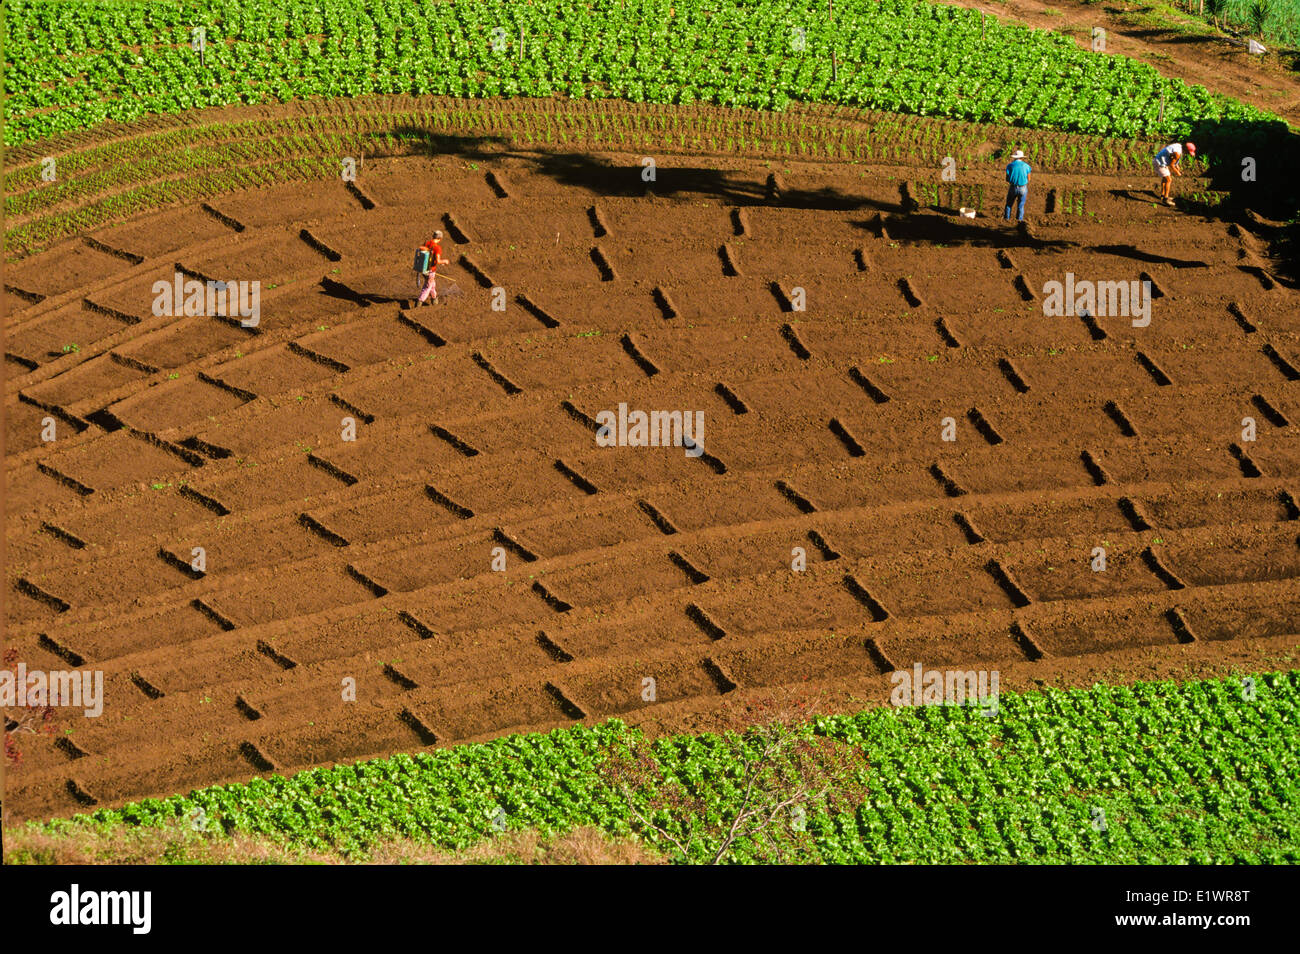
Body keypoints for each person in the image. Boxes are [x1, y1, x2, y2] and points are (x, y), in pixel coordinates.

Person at [1153, 142, 1195, 206]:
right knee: (1169, 180)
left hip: (1160, 161)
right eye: (1188, 152)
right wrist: (1177, 172)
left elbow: (1172, 157)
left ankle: (1162, 195)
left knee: (1165, 178)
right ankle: (1166, 199)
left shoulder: (1178, 146)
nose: (1188, 154)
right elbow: (1171, 165)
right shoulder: (1178, 153)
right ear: (1186, 149)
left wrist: (1177, 165)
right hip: (1159, 163)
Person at [414, 232, 449, 306]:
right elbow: (438, 261)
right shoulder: (437, 248)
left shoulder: (427, 243)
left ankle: (434, 300)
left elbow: (421, 249)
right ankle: (419, 302)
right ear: (440, 239)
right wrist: (445, 261)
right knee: (427, 287)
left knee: (432, 284)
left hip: (423, 269)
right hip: (431, 271)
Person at [1003, 150, 1031, 225]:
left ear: (1015, 158)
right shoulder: (1027, 166)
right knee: (1021, 205)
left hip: (1013, 187)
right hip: (1023, 188)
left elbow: (1007, 178)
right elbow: (1029, 179)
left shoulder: (1010, 166)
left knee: (1009, 204)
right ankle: (1019, 221)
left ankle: (1006, 219)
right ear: (1022, 158)